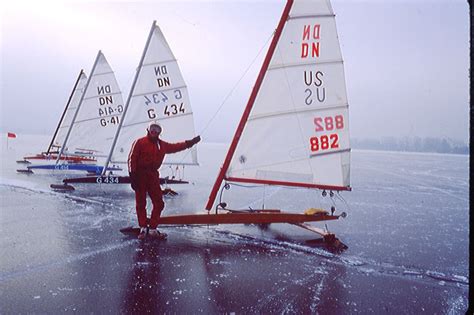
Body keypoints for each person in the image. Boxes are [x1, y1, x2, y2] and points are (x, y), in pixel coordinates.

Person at [128, 122, 200, 240]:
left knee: (159, 203)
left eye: (157, 129)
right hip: (140, 175)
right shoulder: (139, 142)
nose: (154, 131)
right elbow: (132, 159)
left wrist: (190, 143)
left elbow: (176, 146)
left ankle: (152, 229)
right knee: (141, 203)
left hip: (153, 176)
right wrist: (132, 176)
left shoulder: (162, 145)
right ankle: (142, 228)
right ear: (148, 129)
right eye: (152, 128)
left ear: (160, 132)